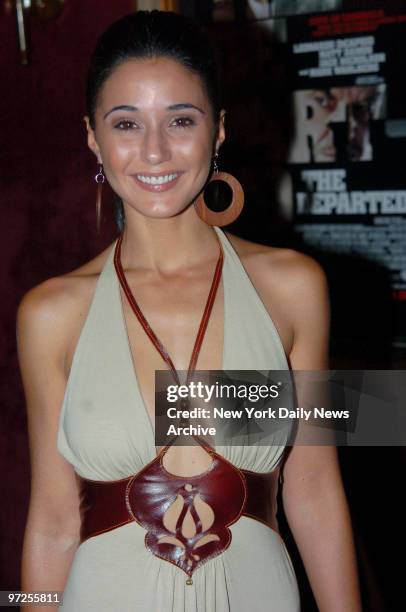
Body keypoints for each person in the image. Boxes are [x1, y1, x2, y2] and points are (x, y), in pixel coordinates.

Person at [17, 10, 362, 612]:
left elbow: (314, 491)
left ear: (219, 130)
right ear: (93, 136)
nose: (154, 151)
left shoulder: (292, 288)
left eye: (181, 120)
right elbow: (51, 522)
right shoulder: (51, 314)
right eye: (126, 124)